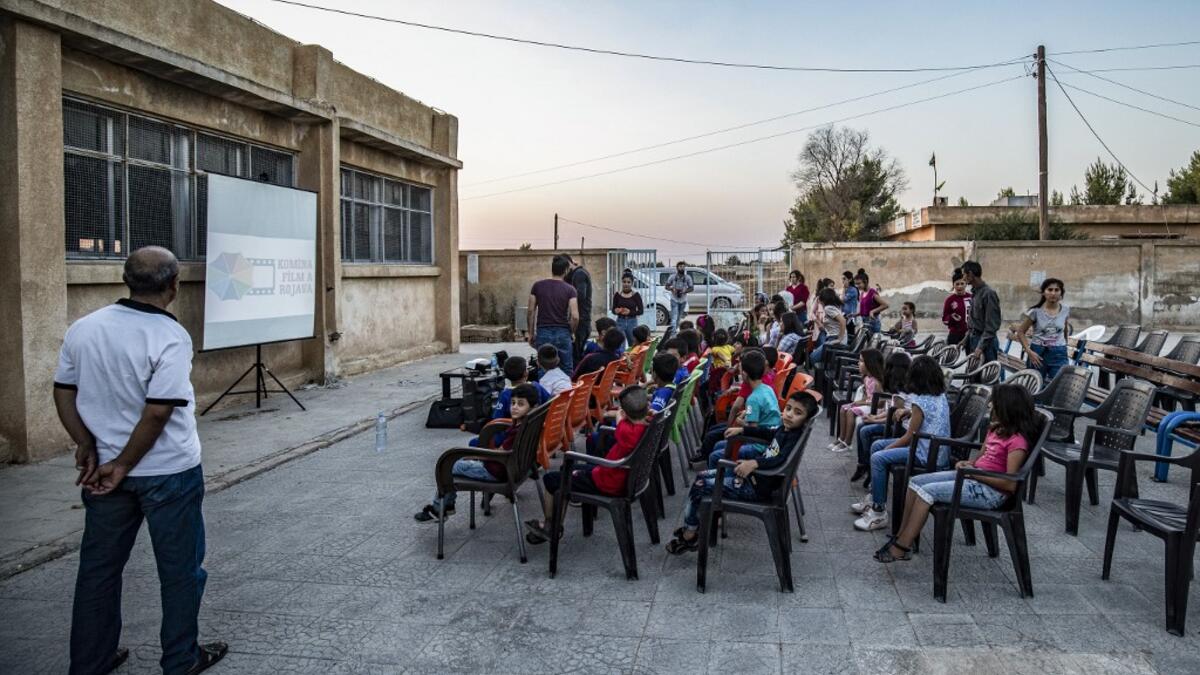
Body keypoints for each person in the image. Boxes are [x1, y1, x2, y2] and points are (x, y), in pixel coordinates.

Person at [53, 246, 227, 675]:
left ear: (126, 280)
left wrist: (86, 443)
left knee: (99, 571)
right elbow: (157, 411)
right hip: (168, 472)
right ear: (173, 286)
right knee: (181, 571)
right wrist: (124, 464)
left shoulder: (84, 327)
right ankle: (181, 660)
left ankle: (90, 662)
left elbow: (63, 391)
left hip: (104, 473)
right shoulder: (169, 335)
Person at [875, 384, 1039, 563]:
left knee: (926, 492)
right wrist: (969, 464)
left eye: (995, 404)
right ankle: (901, 536)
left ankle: (902, 547)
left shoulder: (1017, 442)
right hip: (973, 475)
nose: (991, 407)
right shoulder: (995, 429)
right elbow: (982, 458)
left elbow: (1010, 483)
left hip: (990, 492)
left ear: (1007, 408)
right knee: (915, 483)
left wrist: (974, 473)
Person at [666, 391, 819, 554]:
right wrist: (742, 430)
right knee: (701, 477)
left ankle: (690, 534)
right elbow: (768, 433)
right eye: (788, 408)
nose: (789, 415)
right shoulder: (786, 429)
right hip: (755, 478)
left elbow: (780, 459)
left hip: (757, 487)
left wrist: (754, 463)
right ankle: (695, 525)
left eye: (798, 413)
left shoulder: (794, 436)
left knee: (700, 484)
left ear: (805, 420)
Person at [525, 386, 651, 544]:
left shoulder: (627, 431)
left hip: (607, 481)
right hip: (617, 475)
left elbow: (620, 423)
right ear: (647, 407)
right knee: (567, 470)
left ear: (625, 413)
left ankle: (551, 526)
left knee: (551, 480)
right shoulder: (648, 425)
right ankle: (557, 524)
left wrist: (618, 415)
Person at [415, 383, 541, 522]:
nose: (515, 407)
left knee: (449, 465)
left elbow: (502, 453)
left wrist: (479, 455)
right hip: (512, 470)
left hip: (495, 471)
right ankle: (447, 506)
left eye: (521, 404)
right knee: (460, 461)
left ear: (532, 407)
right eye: (513, 403)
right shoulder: (528, 424)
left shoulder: (518, 430)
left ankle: (439, 509)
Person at [852, 355, 951, 532]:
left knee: (878, 457)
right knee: (876, 446)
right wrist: (907, 411)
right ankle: (875, 496)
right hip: (936, 450)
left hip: (924, 454)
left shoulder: (919, 402)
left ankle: (879, 513)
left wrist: (886, 451)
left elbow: (907, 438)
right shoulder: (939, 396)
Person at [706, 350, 781, 470]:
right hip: (771, 440)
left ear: (745, 374)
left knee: (715, 456)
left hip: (759, 446)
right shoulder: (767, 388)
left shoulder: (753, 399)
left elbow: (752, 429)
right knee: (718, 445)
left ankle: (719, 483)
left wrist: (740, 422)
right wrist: (746, 414)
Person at [851, 352, 911, 479]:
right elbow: (891, 410)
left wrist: (876, 421)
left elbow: (896, 418)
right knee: (862, 426)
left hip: (899, 428)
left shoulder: (902, 392)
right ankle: (863, 463)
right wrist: (875, 417)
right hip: (892, 422)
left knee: (866, 430)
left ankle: (868, 464)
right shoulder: (898, 388)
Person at [528, 256, 580, 375]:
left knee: (543, 368)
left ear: (552, 269)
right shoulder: (570, 289)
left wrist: (531, 333)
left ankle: (545, 393)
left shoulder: (537, 286)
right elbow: (575, 316)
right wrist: (571, 332)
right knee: (566, 368)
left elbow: (531, 311)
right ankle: (565, 392)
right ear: (566, 270)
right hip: (563, 333)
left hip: (543, 331)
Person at [830, 348, 886, 453]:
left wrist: (863, 403)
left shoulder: (876, 383)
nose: (858, 363)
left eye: (861, 361)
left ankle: (848, 442)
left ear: (870, 363)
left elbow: (880, 402)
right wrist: (856, 403)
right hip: (867, 405)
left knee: (851, 411)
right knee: (844, 408)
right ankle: (841, 438)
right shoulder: (866, 379)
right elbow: (866, 397)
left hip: (876, 409)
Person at [1014, 278, 1070, 380]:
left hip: (1059, 353)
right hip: (1038, 353)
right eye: (1050, 289)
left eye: (1057, 290)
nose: (1053, 293)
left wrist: (1065, 345)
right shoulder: (1035, 312)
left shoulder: (1066, 310)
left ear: (1061, 293)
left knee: (1059, 384)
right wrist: (1029, 351)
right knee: (1034, 385)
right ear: (1044, 292)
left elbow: (1065, 329)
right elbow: (1020, 332)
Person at [961, 261, 1001, 364]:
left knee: (986, 378)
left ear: (970, 274)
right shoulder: (975, 293)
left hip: (986, 344)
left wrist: (980, 347)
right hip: (974, 340)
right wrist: (966, 338)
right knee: (973, 376)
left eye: (964, 274)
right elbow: (974, 321)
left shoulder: (988, 294)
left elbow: (992, 326)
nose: (963, 278)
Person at [563, 254, 593, 367]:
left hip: (581, 321)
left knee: (576, 357)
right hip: (582, 319)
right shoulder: (576, 274)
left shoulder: (579, 274)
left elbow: (580, 295)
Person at [810, 287, 846, 367]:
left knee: (813, 358)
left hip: (835, 338)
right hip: (832, 337)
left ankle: (822, 377)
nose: (818, 301)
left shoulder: (828, 308)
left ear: (824, 299)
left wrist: (840, 339)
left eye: (820, 299)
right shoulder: (833, 307)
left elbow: (843, 321)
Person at [611, 273, 644, 347]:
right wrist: (616, 311)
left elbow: (641, 311)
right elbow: (613, 309)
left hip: (632, 322)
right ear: (622, 282)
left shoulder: (636, 295)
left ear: (632, 283)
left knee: (633, 344)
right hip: (620, 322)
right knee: (620, 344)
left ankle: (631, 359)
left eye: (628, 282)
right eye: (624, 282)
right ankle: (622, 358)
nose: (626, 284)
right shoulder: (617, 295)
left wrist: (630, 312)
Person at [942, 268, 972, 346]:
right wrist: (951, 318)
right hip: (954, 334)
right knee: (951, 356)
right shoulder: (949, 300)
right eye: (957, 284)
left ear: (966, 284)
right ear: (953, 285)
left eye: (962, 283)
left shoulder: (972, 298)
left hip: (969, 334)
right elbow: (944, 318)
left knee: (971, 357)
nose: (960, 286)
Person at [856, 269, 888, 334]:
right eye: (856, 284)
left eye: (859, 283)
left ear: (865, 281)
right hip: (865, 322)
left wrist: (873, 311)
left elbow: (885, 305)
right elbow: (865, 310)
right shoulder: (862, 293)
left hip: (873, 323)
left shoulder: (872, 293)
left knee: (874, 343)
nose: (857, 286)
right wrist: (854, 314)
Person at [665, 262, 693, 329]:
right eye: (680, 266)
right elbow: (666, 286)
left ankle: (675, 331)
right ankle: (673, 333)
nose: (682, 268)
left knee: (678, 317)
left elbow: (691, 288)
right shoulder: (672, 277)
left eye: (683, 266)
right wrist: (672, 289)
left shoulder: (687, 277)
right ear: (677, 268)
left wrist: (684, 291)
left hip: (683, 300)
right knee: (674, 317)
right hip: (674, 299)